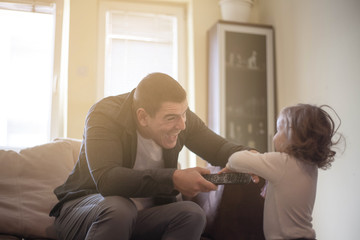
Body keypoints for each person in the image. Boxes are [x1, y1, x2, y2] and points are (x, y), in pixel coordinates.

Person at [49, 72, 254, 240]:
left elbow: (219, 149)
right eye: (172, 118)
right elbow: (108, 181)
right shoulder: (104, 115)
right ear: (143, 116)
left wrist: (253, 159)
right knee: (121, 209)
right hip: (85, 212)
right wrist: (173, 178)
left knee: (192, 214)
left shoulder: (180, 118)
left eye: (184, 114)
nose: (182, 125)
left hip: (140, 218)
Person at [220, 104, 343, 240]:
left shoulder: (283, 163)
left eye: (278, 130)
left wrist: (240, 160)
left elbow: (236, 159)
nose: (274, 136)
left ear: (294, 135)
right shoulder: (310, 167)